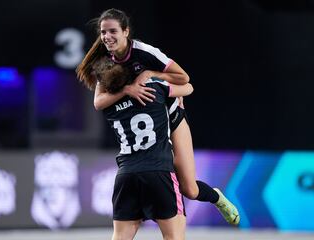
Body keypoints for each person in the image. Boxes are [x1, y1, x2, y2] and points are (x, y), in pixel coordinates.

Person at [76, 8, 239, 226]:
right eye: (103, 32)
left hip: (172, 116)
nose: (107, 37)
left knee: (189, 189)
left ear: (126, 32)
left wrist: (153, 75)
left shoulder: (145, 52)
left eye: (113, 31)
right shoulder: (106, 62)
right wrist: (128, 90)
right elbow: (98, 102)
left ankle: (217, 197)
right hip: (146, 131)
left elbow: (184, 79)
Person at [96, 56, 193, 240]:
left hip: (126, 175)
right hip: (158, 171)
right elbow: (189, 87)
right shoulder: (155, 89)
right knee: (174, 236)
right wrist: (173, 91)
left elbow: (99, 100)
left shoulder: (108, 107)